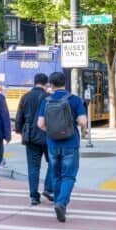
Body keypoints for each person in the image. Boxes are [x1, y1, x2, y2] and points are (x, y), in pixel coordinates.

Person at [38, 71, 88, 222]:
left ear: (50, 85)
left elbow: (40, 124)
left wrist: (52, 131)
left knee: (56, 174)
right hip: (70, 142)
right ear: (65, 83)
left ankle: (58, 201)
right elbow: (82, 122)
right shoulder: (75, 100)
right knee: (69, 175)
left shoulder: (46, 100)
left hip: (52, 143)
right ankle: (61, 203)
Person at [15, 73, 53, 205]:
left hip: (31, 137)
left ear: (34, 82)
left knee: (33, 167)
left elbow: (19, 117)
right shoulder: (49, 97)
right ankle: (48, 188)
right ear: (46, 83)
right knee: (53, 163)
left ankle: (34, 196)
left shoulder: (25, 97)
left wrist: (20, 131)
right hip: (48, 136)